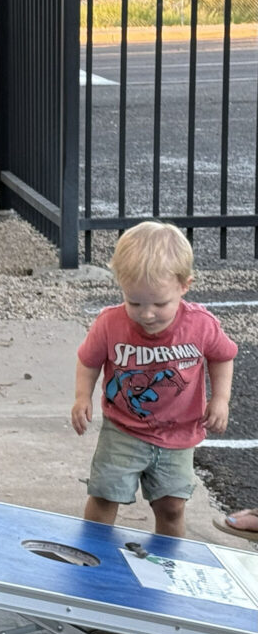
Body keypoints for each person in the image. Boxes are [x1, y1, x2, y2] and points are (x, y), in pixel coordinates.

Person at [71, 221, 237, 537]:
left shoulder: (200, 325)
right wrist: (82, 397)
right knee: (105, 496)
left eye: (160, 304)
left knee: (172, 506)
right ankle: (91, 553)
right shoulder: (110, 324)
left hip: (179, 434)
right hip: (123, 430)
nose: (147, 314)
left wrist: (220, 398)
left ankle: (169, 563)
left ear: (184, 285)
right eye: (134, 302)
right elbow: (88, 360)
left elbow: (222, 355)